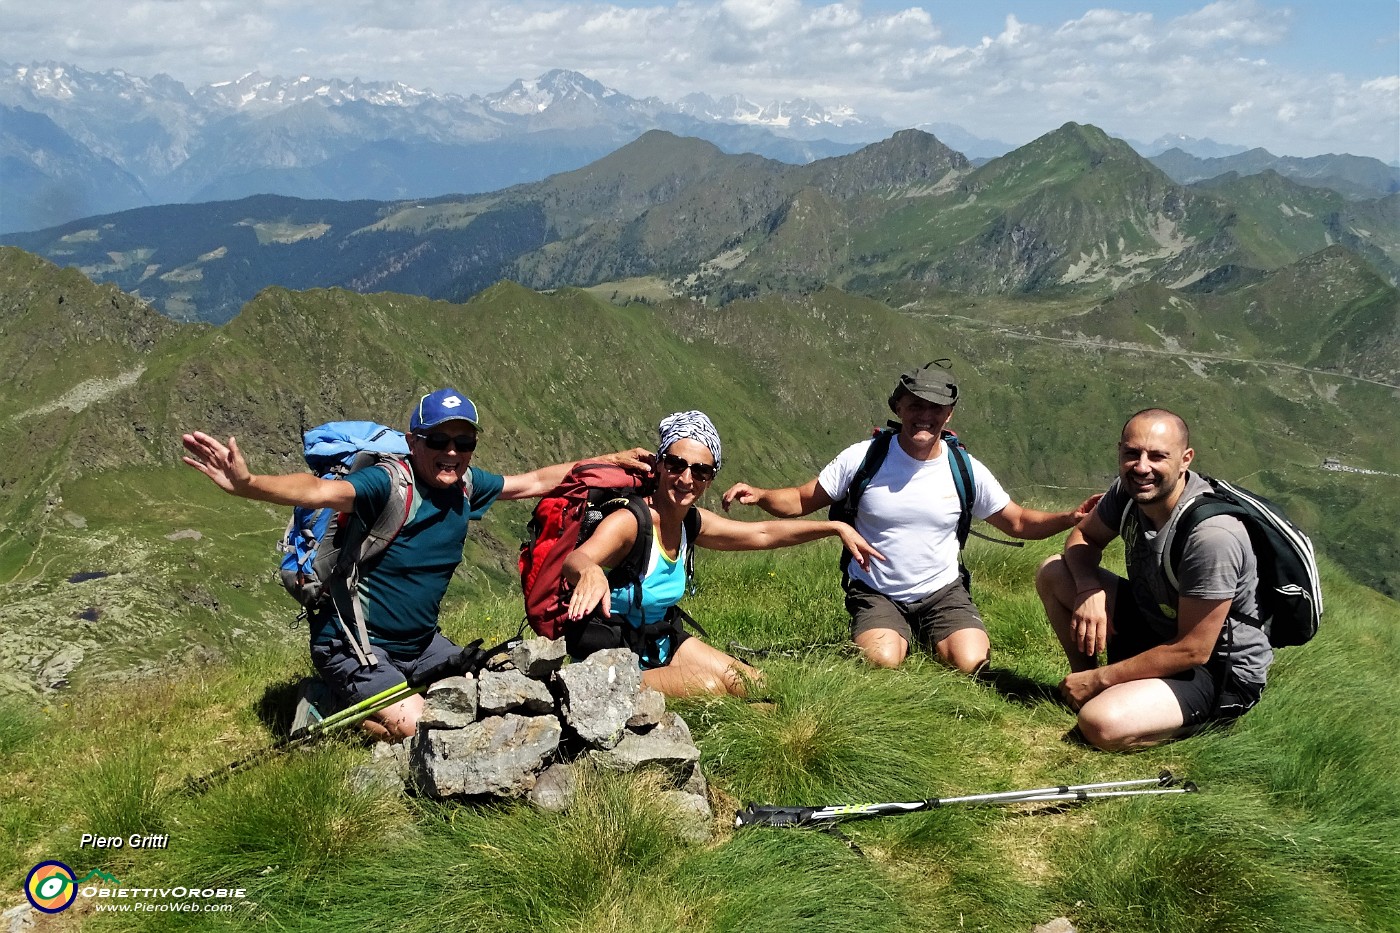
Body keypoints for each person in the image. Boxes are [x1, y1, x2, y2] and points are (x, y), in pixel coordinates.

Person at [181, 387, 651, 741]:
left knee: (491, 696)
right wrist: (249, 484)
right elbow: (321, 491)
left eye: (463, 442)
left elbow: (531, 482)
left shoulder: (465, 484)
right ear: (413, 441)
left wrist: (603, 462)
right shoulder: (388, 485)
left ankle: (382, 696)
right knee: (426, 727)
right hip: (354, 645)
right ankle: (322, 703)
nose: (451, 452)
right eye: (438, 440)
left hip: (421, 645)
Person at [720, 361, 1099, 674]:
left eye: (935, 408)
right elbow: (803, 499)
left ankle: (924, 632)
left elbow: (1016, 521)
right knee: (882, 661)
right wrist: (761, 496)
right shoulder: (863, 458)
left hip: (943, 591)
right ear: (898, 408)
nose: (924, 416)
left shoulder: (964, 468)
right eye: (915, 405)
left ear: (948, 414)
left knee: (972, 663)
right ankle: (893, 632)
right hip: (876, 589)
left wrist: (1070, 517)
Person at [562, 411, 883, 698]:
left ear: (711, 478)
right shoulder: (630, 522)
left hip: (656, 642)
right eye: (675, 465)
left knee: (754, 682)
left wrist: (835, 528)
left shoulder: (690, 522)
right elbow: (575, 560)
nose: (686, 478)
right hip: (608, 656)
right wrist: (588, 572)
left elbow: (762, 534)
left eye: (701, 471)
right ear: (659, 465)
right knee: (708, 686)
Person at [1034, 408, 1272, 751]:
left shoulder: (1212, 537)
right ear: (1120, 452)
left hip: (1217, 670)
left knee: (1101, 725)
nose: (1142, 467)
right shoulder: (1128, 493)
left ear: (1185, 460)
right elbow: (1082, 539)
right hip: (1158, 626)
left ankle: (1193, 720)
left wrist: (1102, 678)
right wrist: (1088, 589)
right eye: (1132, 453)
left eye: (1158, 456)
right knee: (1054, 572)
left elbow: (1193, 649)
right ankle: (1081, 690)